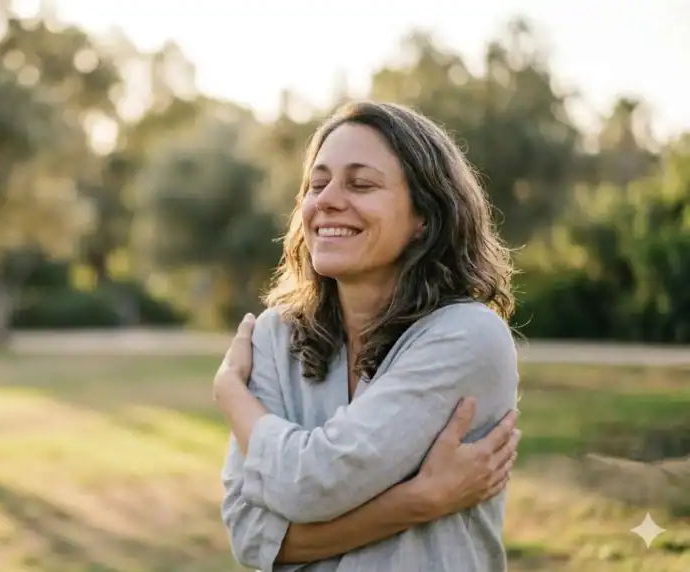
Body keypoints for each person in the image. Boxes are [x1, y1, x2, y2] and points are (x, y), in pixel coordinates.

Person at [214, 101, 521, 571]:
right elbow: (250, 536)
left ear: (425, 216)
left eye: (361, 184)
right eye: (316, 184)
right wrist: (417, 502)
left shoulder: (469, 335)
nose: (327, 200)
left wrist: (231, 393)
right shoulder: (274, 336)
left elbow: (311, 484)